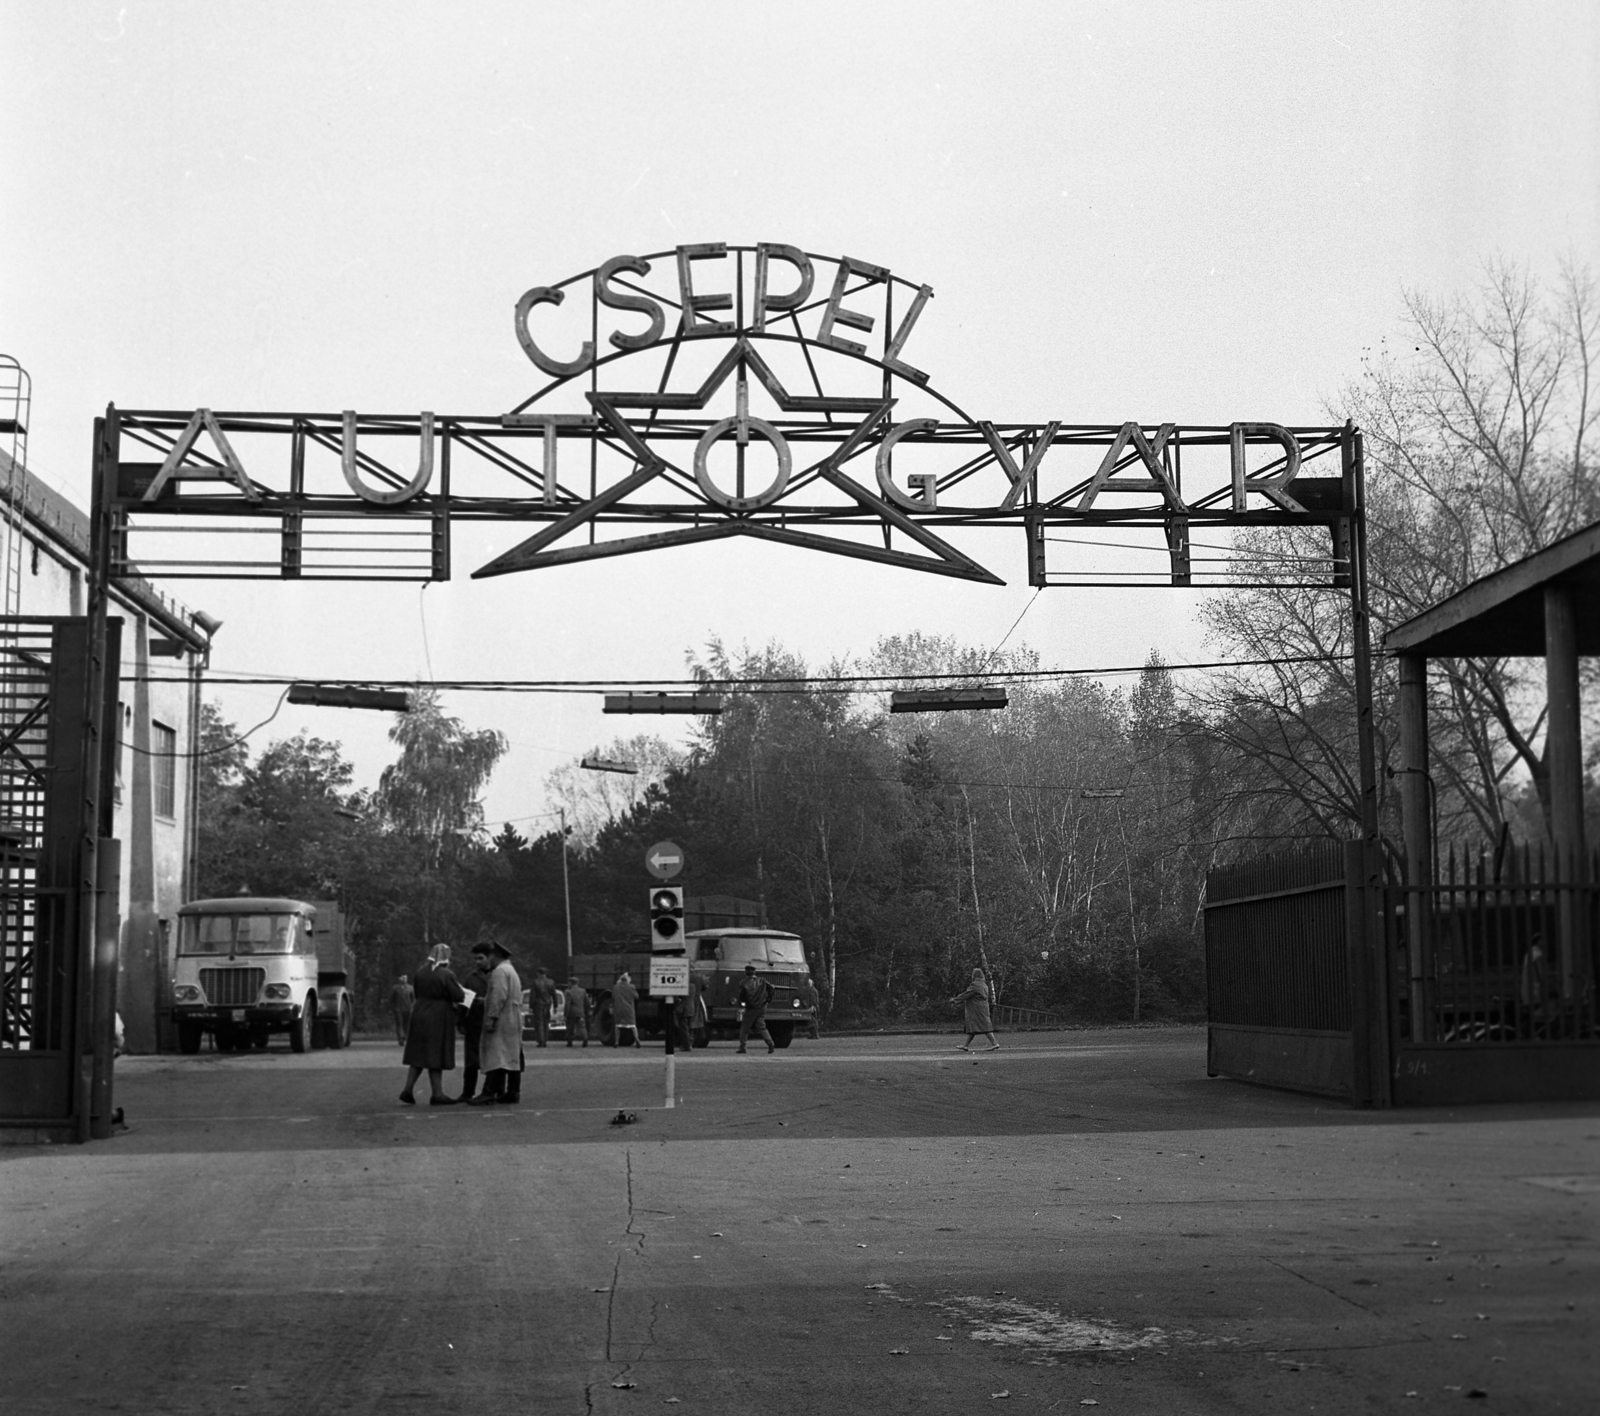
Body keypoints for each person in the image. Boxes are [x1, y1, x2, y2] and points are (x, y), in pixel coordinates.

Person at [400, 944, 465, 1105]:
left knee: (419, 1053)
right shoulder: (446, 974)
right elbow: (458, 995)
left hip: (419, 1012)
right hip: (438, 1015)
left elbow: (416, 992)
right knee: (435, 1052)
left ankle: (408, 1089)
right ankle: (437, 1093)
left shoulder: (420, 972)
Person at [472, 940, 525, 1104]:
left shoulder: (500, 972)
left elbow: (498, 996)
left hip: (503, 1017)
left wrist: (491, 1018)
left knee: (497, 1055)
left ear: (495, 955)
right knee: (512, 1055)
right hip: (513, 1017)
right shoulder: (511, 970)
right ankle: (513, 1091)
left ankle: (488, 1092)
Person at [457, 945, 492, 1102]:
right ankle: (467, 1091)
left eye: (481, 958)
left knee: (493, 1059)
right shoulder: (471, 978)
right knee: (471, 1060)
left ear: (489, 958)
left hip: (492, 1023)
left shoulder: (497, 975)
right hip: (474, 1022)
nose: (478, 962)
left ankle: (492, 1091)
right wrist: (461, 1020)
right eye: (475, 959)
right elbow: (465, 1001)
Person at [951, 966, 999, 1052]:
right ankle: (965, 1045)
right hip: (983, 1008)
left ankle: (994, 1043)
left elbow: (966, 994)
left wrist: (955, 1000)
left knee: (983, 1026)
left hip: (976, 1009)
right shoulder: (984, 985)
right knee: (974, 1026)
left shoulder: (975, 985)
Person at [736, 963, 775, 1054]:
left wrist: (743, 1003)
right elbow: (771, 989)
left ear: (746, 972)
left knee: (745, 1027)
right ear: (754, 972)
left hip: (751, 1008)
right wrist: (767, 1000)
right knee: (761, 1026)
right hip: (762, 1006)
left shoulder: (743, 983)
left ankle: (743, 1046)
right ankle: (770, 1043)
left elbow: (741, 997)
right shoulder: (762, 981)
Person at [611, 970, 639, 1048]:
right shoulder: (631, 987)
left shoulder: (615, 987)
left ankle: (616, 1042)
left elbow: (613, 996)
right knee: (633, 1025)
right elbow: (636, 996)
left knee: (617, 1026)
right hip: (629, 1009)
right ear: (627, 980)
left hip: (619, 1009)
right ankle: (637, 1039)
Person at [530, 967, 556, 1047]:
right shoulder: (551, 982)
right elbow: (554, 994)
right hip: (548, 1004)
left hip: (538, 1004)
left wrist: (531, 1006)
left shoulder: (535, 982)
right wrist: (556, 1005)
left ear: (538, 973)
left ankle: (541, 1040)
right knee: (546, 1022)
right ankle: (545, 1039)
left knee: (539, 1022)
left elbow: (533, 995)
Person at [390, 974, 414, 1046]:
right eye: (403, 978)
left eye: (405, 978)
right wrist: (392, 1008)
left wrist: (411, 1006)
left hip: (407, 1009)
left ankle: (405, 1037)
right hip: (398, 1009)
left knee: (406, 1024)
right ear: (399, 979)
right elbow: (391, 999)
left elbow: (413, 998)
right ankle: (400, 1038)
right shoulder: (395, 988)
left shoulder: (410, 988)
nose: (404, 979)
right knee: (399, 1024)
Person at [564, 978, 589, 1047]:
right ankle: (585, 1040)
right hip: (581, 1012)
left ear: (571, 983)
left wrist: (566, 1014)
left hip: (572, 1013)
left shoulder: (568, 992)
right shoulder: (583, 991)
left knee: (570, 1027)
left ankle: (570, 1041)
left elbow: (567, 1004)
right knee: (582, 1027)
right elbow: (587, 1002)